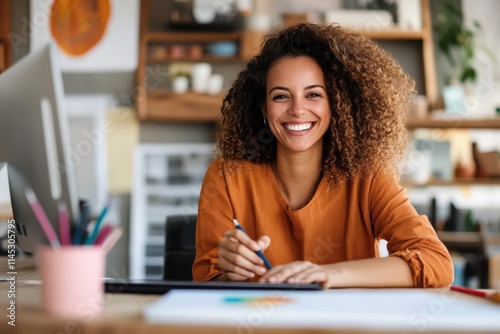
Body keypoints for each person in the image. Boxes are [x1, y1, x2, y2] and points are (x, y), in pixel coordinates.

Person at [192, 22, 454, 288]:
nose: (297, 110)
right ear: (263, 109)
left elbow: (436, 262)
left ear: (337, 103)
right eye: (281, 97)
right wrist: (229, 272)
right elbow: (204, 283)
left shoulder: (369, 177)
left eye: (313, 94)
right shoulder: (227, 176)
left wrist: (332, 275)